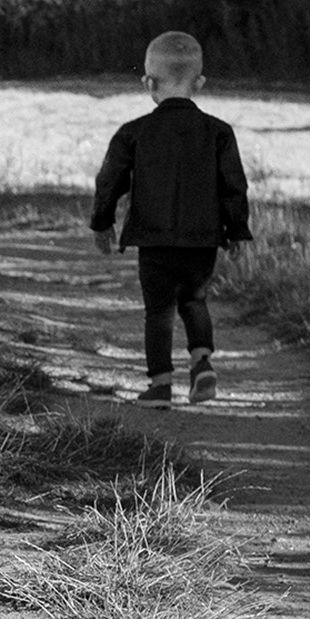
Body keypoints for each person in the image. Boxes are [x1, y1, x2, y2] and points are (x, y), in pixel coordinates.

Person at [90, 31, 253, 406]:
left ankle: (161, 386)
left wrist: (102, 222)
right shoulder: (219, 132)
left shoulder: (133, 132)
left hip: (153, 239)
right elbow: (234, 186)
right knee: (194, 300)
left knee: (158, 311)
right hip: (202, 239)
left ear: (148, 83)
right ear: (199, 83)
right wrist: (238, 231)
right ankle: (202, 360)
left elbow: (109, 180)